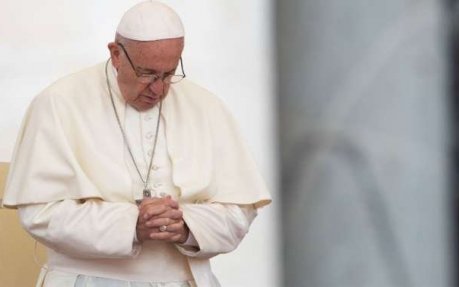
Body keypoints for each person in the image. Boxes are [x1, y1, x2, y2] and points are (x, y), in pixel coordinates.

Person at [2, 1, 271, 286]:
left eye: (168, 74)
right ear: (116, 54)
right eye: (147, 73)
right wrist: (131, 224)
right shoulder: (58, 103)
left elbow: (240, 211)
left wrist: (186, 225)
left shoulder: (206, 107)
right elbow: (39, 213)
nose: (158, 89)